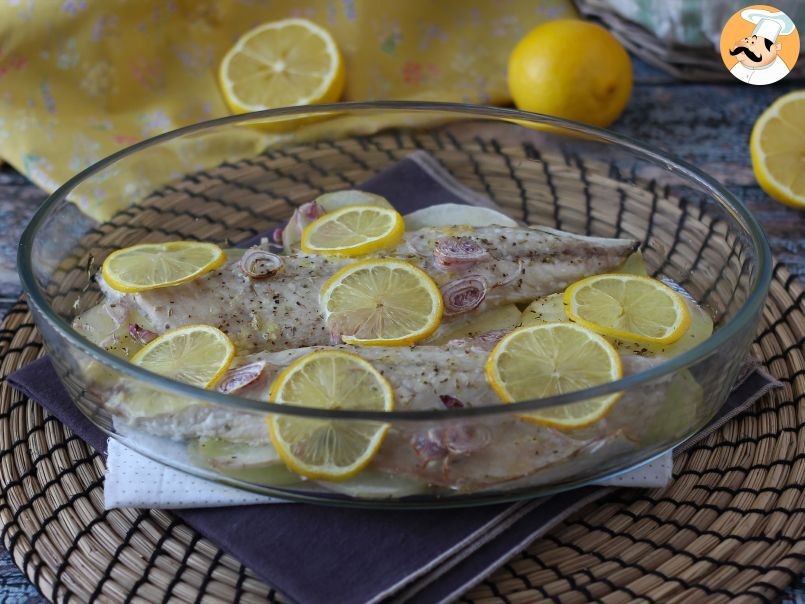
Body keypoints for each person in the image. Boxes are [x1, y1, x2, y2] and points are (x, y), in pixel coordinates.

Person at [728, 8, 796, 85]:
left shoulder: (780, 70)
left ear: (776, 47)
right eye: (747, 40)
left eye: (753, 43)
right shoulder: (737, 67)